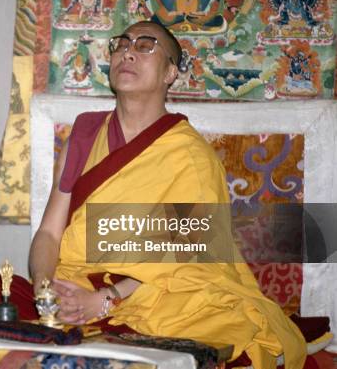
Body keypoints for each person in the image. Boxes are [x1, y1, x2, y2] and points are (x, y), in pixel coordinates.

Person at [28, 21, 307, 369]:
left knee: (227, 323)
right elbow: (50, 233)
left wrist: (103, 300)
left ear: (170, 73)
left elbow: (185, 259)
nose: (128, 51)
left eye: (146, 45)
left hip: (154, 295)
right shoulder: (84, 134)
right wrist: (45, 290)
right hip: (74, 282)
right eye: (122, 44)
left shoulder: (190, 156)